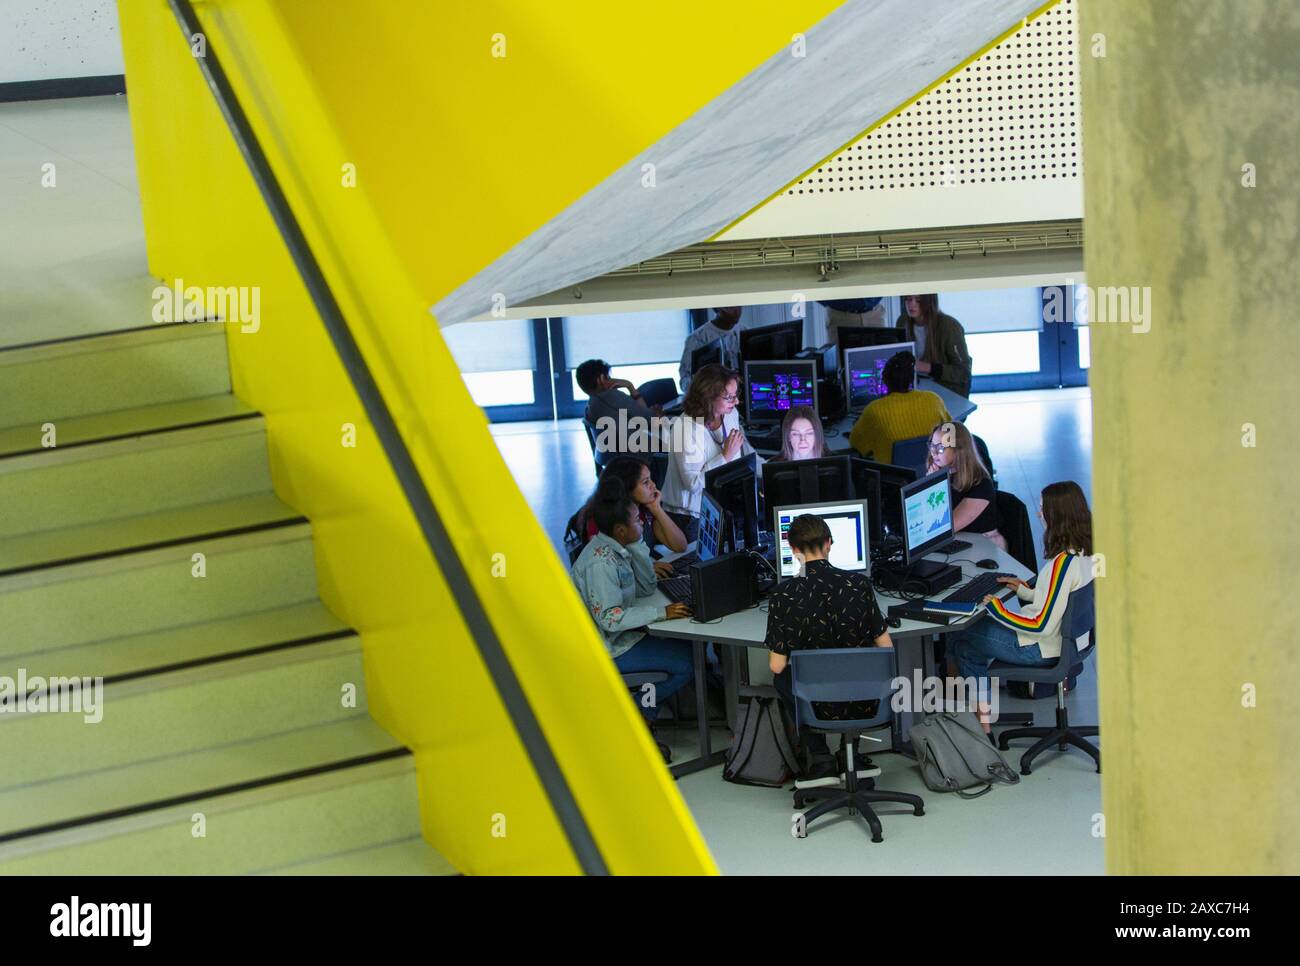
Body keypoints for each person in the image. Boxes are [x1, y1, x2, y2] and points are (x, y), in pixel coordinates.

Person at [945, 481, 1095, 737]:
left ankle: (976, 722)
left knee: (960, 634)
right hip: (1075, 643)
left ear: (1056, 516)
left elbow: (1039, 623)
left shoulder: (1061, 564)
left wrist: (995, 607)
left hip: (1041, 647)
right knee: (967, 645)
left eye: (1042, 509)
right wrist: (1023, 590)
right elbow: (1060, 599)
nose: (1039, 514)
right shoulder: (1086, 553)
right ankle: (980, 721)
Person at [570, 477, 694, 758]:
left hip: (615, 635)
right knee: (686, 662)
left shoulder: (618, 547)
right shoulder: (600, 563)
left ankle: (642, 708)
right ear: (620, 530)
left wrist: (637, 543)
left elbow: (647, 585)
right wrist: (662, 613)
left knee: (683, 649)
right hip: (605, 646)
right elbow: (611, 619)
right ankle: (640, 714)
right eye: (638, 522)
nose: (644, 524)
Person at [765, 513, 893, 779]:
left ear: (793, 549)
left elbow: (776, 666)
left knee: (783, 680)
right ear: (829, 544)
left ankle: (819, 755)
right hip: (861, 697)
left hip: (815, 703)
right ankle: (852, 754)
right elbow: (886, 650)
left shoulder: (783, 594)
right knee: (865, 667)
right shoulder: (859, 584)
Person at [660, 363, 757, 542]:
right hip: (689, 516)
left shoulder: (730, 414)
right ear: (708, 398)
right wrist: (725, 456)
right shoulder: (685, 428)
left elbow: (740, 452)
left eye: (736, 395)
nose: (736, 402)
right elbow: (693, 484)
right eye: (729, 397)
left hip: (720, 506)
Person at [566, 456, 687, 573]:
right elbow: (606, 565)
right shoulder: (600, 518)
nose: (653, 485)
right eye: (645, 482)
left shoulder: (644, 508)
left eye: (650, 479)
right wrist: (645, 568)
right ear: (626, 488)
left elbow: (680, 546)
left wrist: (657, 509)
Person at [848, 350, 951, 461]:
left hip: (894, 477)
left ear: (885, 380)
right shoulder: (934, 400)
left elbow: (857, 444)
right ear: (912, 378)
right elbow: (951, 434)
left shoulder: (874, 410)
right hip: (932, 473)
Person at [926, 420, 1004, 550]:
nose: (933, 452)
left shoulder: (980, 485)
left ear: (958, 450)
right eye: (932, 446)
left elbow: (942, 528)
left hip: (985, 549)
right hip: (958, 544)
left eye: (940, 448)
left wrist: (932, 487)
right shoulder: (942, 473)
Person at [898, 294, 972, 398]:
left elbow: (963, 373)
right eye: (908, 299)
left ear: (929, 302)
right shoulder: (903, 321)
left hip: (946, 391)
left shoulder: (950, 327)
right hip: (916, 388)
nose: (912, 304)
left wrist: (926, 367)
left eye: (918, 300)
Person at [576, 358, 658, 439]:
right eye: (608, 377)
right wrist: (629, 385)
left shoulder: (591, 405)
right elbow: (651, 420)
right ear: (601, 379)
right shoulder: (612, 396)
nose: (611, 379)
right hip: (640, 449)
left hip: (619, 450)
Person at [678, 306, 744, 393]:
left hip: (740, 395)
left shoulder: (744, 331)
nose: (737, 311)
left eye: (739, 306)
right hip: (712, 398)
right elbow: (685, 379)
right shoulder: (697, 338)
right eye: (730, 307)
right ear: (717, 309)